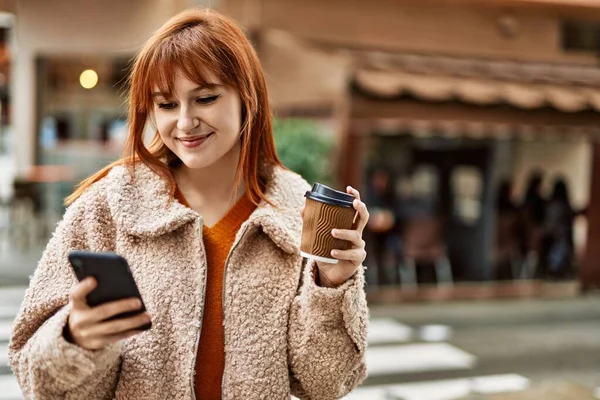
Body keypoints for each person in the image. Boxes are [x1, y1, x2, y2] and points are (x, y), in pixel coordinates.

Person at [9, 9, 369, 400]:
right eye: (165, 105)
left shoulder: (295, 214)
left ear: (248, 99)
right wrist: (76, 338)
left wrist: (332, 283)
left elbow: (326, 382)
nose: (184, 122)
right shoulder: (109, 206)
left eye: (206, 98)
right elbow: (34, 375)